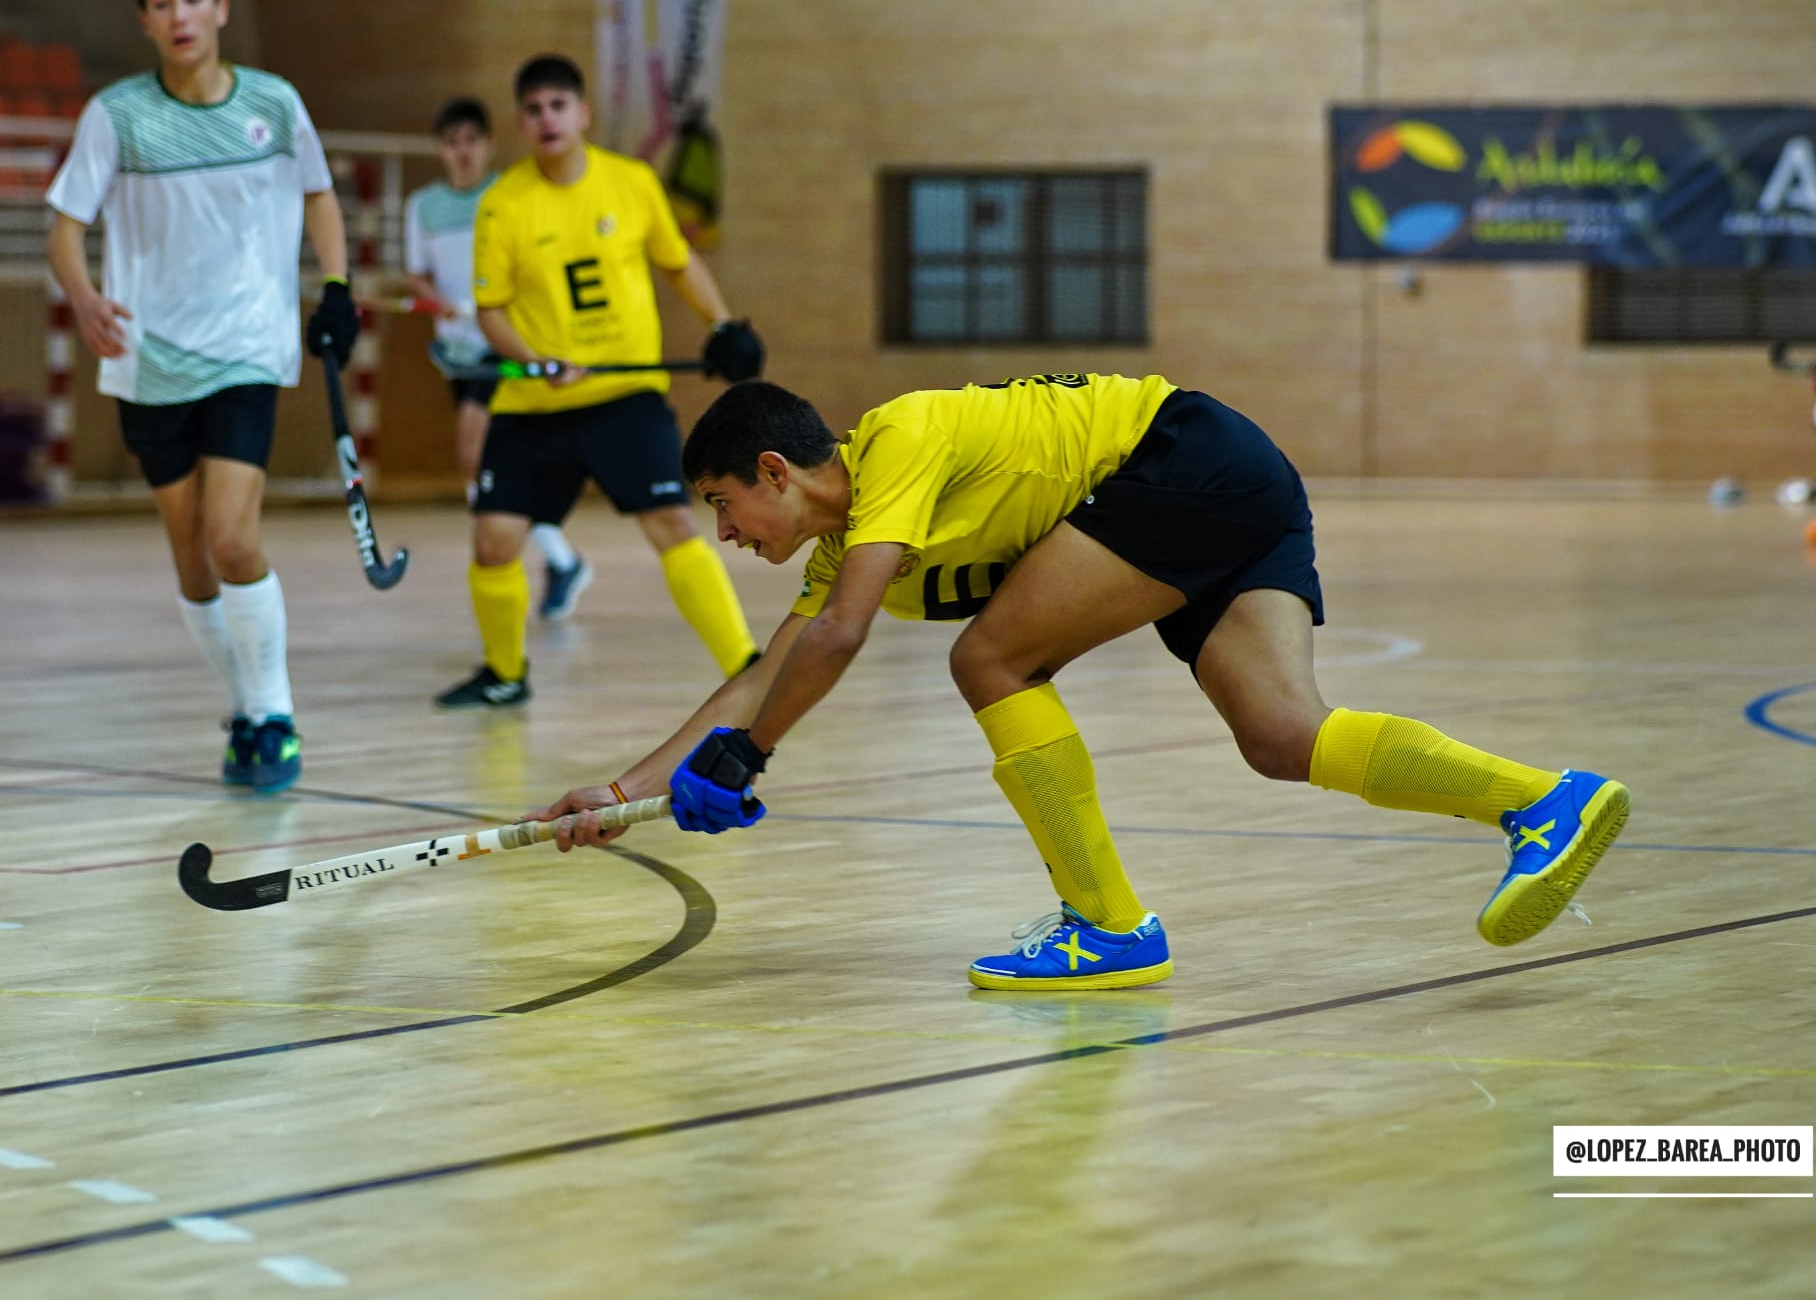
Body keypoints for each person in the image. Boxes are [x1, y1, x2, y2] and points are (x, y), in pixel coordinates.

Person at [532, 375, 1632, 990]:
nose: (722, 534)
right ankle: (1539, 799)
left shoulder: (897, 445)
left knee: (988, 656)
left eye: (725, 507)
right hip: (1228, 488)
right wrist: (624, 786)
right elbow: (768, 665)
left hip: (1182, 459)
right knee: (1281, 735)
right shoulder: (831, 558)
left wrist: (751, 755)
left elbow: (838, 640)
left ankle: (1106, 925)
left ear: (776, 473)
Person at [45, 0, 357, 792]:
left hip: (248, 350)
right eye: (162, 1)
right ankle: (247, 711)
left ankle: (277, 709)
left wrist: (335, 286)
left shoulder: (275, 104)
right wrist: (83, 297)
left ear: (220, 9)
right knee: (190, 558)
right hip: (147, 360)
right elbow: (66, 226)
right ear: (145, 20)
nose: (179, 14)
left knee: (231, 538)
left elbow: (320, 195)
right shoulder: (117, 116)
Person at [438, 52, 766, 709]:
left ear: (583, 113)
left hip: (625, 398)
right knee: (494, 537)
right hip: (533, 403)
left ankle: (745, 664)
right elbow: (491, 312)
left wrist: (723, 322)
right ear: (522, 123)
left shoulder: (633, 182)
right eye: (533, 110)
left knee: (672, 519)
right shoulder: (503, 204)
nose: (546, 118)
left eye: (558, 105)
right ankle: (505, 673)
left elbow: (678, 262)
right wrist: (536, 362)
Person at [403, 94, 592, 621]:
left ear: (487, 145)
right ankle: (559, 558)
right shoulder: (423, 206)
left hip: (503, 346)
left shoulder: (507, 194)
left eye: (471, 141)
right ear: (440, 149)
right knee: (485, 461)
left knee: (474, 448)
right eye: (451, 142)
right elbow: (418, 273)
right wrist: (436, 300)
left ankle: (546, 556)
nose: (462, 152)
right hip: (458, 352)